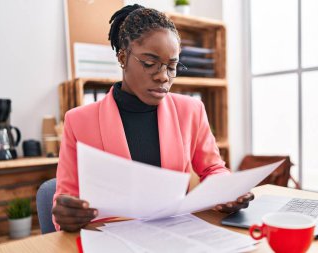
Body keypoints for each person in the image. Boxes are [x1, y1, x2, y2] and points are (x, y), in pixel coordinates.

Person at [52, 4, 253, 232]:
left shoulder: (191, 111)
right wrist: (65, 213)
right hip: (111, 238)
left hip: (175, 234)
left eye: (172, 66)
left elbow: (213, 169)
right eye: (150, 64)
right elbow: (65, 198)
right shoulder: (79, 121)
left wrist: (227, 191)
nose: (163, 77)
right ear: (123, 56)